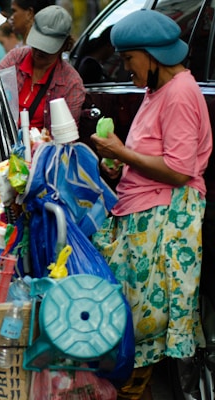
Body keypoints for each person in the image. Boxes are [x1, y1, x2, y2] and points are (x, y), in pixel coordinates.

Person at [89, 9, 212, 400]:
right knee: (133, 317)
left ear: (152, 55)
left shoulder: (179, 93)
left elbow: (178, 170)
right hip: (142, 211)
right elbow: (151, 153)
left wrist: (122, 153)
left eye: (129, 59)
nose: (126, 69)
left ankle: (132, 391)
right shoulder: (157, 90)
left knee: (144, 322)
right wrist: (116, 162)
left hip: (166, 217)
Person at [0, 5, 86, 131]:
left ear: (64, 45)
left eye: (47, 48)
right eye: (37, 44)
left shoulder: (71, 83)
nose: (39, 51)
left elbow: (66, 137)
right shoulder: (16, 58)